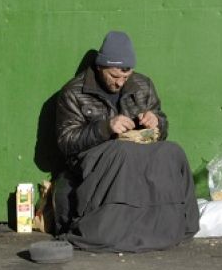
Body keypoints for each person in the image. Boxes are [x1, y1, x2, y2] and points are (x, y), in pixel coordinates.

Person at [54, 31, 200, 252]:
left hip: (136, 152)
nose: (120, 83)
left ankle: (174, 225)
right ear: (100, 67)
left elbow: (162, 124)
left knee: (171, 151)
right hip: (95, 158)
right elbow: (66, 142)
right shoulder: (73, 92)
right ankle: (111, 228)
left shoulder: (143, 85)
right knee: (122, 153)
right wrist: (105, 128)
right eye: (114, 76)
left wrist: (156, 123)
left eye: (126, 75)